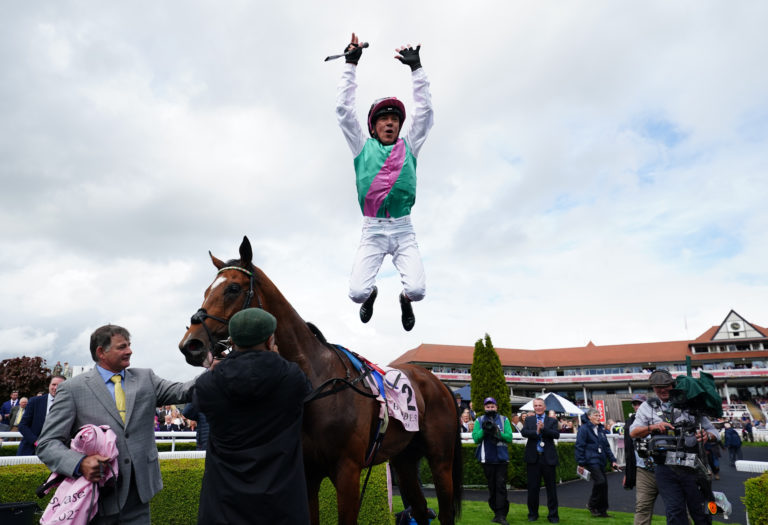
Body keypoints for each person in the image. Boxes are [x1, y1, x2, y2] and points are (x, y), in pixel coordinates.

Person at [37, 324, 195, 524]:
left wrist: (218, 367)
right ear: (101, 352)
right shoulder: (72, 389)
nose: (129, 351)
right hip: (96, 499)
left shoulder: (146, 378)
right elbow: (47, 443)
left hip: (138, 496)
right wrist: (79, 463)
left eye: (129, 345)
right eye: (122, 346)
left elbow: (184, 391)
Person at [336, 31, 434, 331]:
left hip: (404, 229)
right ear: (374, 126)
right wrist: (350, 65)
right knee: (356, 294)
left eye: (394, 119)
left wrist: (417, 70)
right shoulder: (361, 147)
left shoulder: (410, 145)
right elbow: (343, 113)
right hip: (373, 230)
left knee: (418, 291)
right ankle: (373, 293)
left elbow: (426, 113)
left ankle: (403, 300)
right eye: (383, 119)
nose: (390, 123)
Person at [193, 307, 312, 524]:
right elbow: (307, 391)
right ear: (270, 340)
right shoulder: (292, 377)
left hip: (223, 509)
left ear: (233, 341)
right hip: (282, 508)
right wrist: (277, 360)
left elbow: (195, 406)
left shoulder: (207, 384)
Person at [629, 369, 719, 525]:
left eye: (666, 385)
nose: (663, 390)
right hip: (664, 467)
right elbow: (633, 432)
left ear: (673, 384)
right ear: (653, 388)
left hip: (693, 464)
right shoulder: (647, 406)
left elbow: (714, 432)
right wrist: (653, 427)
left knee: (699, 510)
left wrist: (707, 435)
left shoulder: (691, 402)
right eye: (658, 387)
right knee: (675, 511)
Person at [472, 397, 513, 525]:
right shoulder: (479, 420)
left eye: (492, 406)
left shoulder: (504, 419)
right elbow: (476, 438)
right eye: (488, 407)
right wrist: (484, 430)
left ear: (496, 407)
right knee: (492, 488)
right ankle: (496, 513)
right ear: (484, 408)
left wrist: (497, 432)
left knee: (500, 487)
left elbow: (509, 437)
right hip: (487, 459)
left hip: (501, 459)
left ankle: (502, 515)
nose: (490, 409)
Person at [521, 397, 560, 523]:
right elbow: (524, 432)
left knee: (551, 489)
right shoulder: (529, 419)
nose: (538, 407)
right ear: (534, 407)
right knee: (533, 488)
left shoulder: (552, 420)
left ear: (544, 407)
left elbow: (556, 434)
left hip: (548, 458)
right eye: (535, 405)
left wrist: (544, 429)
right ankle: (532, 514)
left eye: (540, 405)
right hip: (533, 458)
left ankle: (553, 516)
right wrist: (536, 432)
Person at [576, 408, 619, 518]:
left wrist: (613, 460)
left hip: (601, 460)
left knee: (604, 485)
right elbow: (579, 446)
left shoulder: (600, 429)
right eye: (596, 415)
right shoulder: (584, 429)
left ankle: (602, 511)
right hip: (590, 460)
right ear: (589, 417)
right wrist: (580, 462)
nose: (598, 417)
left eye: (599, 415)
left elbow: (606, 447)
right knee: (600, 481)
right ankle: (591, 504)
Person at [623, 394, 659, 525]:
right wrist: (628, 473)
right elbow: (628, 450)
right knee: (642, 507)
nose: (638, 406)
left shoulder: (659, 416)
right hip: (643, 469)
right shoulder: (630, 422)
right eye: (635, 404)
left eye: (640, 403)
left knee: (677, 507)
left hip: (666, 467)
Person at [17, 376, 65, 456]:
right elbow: (22, 425)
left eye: (59, 385)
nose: (56, 387)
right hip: (30, 449)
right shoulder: (35, 401)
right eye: (53, 384)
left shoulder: (69, 404)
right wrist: (36, 441)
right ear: (49, 385)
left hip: (57, 452)